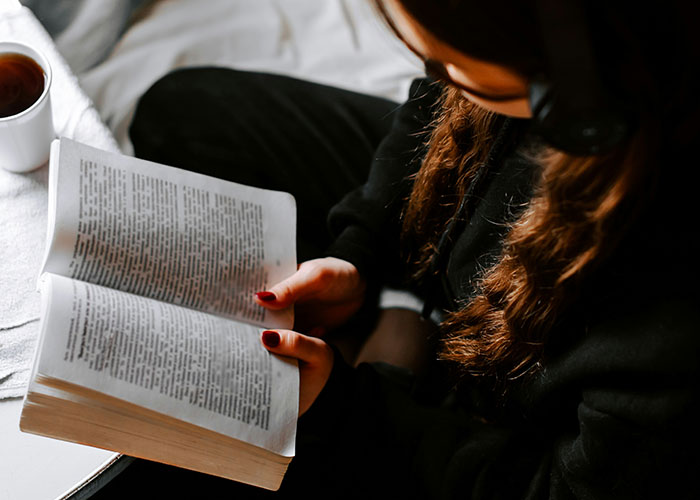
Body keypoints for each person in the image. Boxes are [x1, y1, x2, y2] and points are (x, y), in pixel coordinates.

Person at [96, 0, 700, 498]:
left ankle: (406, 356)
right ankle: (395, 323)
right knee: (184, 114)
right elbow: (431, 117)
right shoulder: (550, 63)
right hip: (465, 243)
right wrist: (358, 258)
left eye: (448, 64)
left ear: (570, 87)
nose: (428, 73)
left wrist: (344, 414)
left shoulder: (668, 337)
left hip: (514, 396)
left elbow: (546, 488)